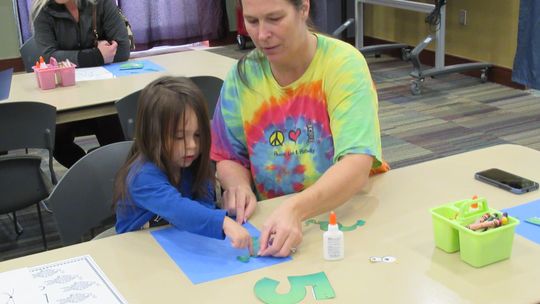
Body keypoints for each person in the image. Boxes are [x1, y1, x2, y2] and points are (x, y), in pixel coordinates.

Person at [211, 0, 388, 257]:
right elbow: (228, 156)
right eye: (252, 21)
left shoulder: (343, 65)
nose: (262, 35)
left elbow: (357, 163)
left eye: (274, 19)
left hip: (345, 214)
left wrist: (296, 209)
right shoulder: (242, 77)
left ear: (303, 8)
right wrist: (238, 186)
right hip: (273, 223)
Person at [113, 76, 253, 253]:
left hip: (182, 250)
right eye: (179, 137)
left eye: (197, 135)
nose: (192, 146)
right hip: (139, 256)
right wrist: (223, 223)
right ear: (152, 134)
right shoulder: (142, 177)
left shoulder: (194, 164)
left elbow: (204, 205)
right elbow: (177, 208)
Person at [31, 0, 130, 168]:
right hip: (63, 93)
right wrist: (96, 56)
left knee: (111, 126)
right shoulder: (42, 12)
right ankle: (89, 173)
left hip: (102, 90)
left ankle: (114, 175)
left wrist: (69, 58)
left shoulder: (102, 4)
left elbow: (122, 50)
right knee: (54, 136)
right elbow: (49, 57)